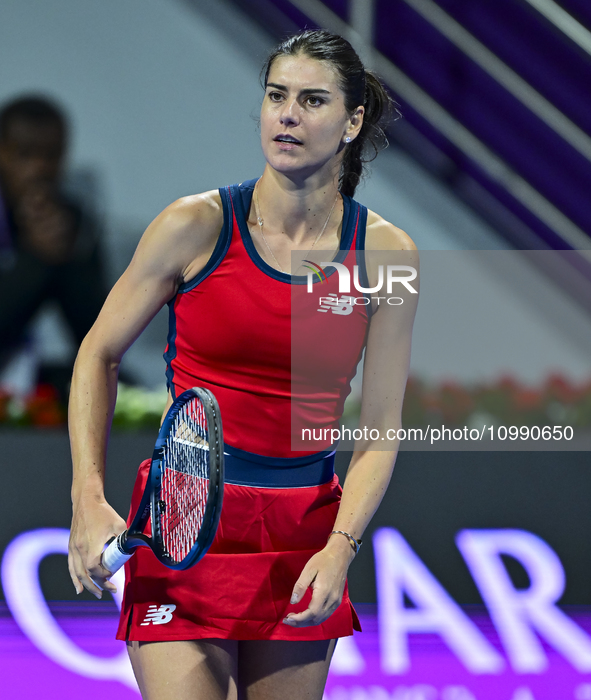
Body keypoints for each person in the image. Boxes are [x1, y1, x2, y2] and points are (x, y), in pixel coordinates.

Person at [68, 30, 418, 700]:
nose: (286, 115)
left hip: (303, 532)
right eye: (275, 96)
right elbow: (98, 353)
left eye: (312, 101)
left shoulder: (386, 256)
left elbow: (379, 429)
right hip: (184, 521)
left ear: (350, 123)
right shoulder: (191, 225)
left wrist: (340, 546)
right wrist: (86, 497)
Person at [0, 95, 107, 398]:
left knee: (116, 386)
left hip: (31, 370)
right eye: (25, 154)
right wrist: (34, 260)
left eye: (51, 155)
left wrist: (70, 257)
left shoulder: (73, 218)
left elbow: (98, 333)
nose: (39, 168)